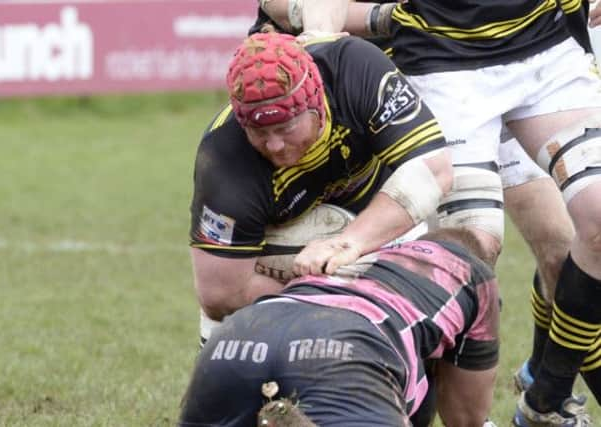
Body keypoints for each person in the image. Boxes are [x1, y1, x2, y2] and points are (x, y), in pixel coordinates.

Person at [257, 1, 601, 424]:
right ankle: (438, 412)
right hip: (444, 68)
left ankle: (546, 399)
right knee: (467, 259)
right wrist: (323, 38)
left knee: (579, 238)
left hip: (545, 54)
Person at [189, 30, 453, 344]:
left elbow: (434, 171)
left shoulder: (355, 69)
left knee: (447, 308)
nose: (274, 145)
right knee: (223, 341)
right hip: (281, 277)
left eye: (286, 127)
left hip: (380, 216)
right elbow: (220, 295)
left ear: (318, 103)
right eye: (259, 131)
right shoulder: (224, 159)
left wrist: (346, 245)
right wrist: (335, 295)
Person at [179, 227, 500, 427]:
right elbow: (466, 418)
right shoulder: (474, 274)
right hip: (345, 343)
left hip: (239, 334)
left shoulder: (361, 252)